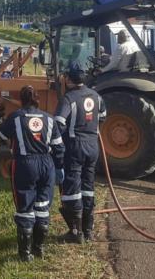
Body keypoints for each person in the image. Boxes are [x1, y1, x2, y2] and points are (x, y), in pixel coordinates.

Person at [0, 86, 65, 261]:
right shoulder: (50, 119)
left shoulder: (16, 117)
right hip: (46, 164)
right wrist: (59, 167)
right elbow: (58, 147)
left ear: (21, 100)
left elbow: (1, 133)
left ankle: (24, 254)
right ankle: (38, 248)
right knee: (42, 207)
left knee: (25, 207)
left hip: (25, 164)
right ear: (37, 100)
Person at [55, 62, 106, 243]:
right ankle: (88, 229)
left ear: (69, 79)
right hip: (93, 145)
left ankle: (75, 232)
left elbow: (59, 123)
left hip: (75, 145)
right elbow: (103, 116)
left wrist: (55, 148)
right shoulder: (96, 96)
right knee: (88, 185)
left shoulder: (68, 98)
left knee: (72, 188)